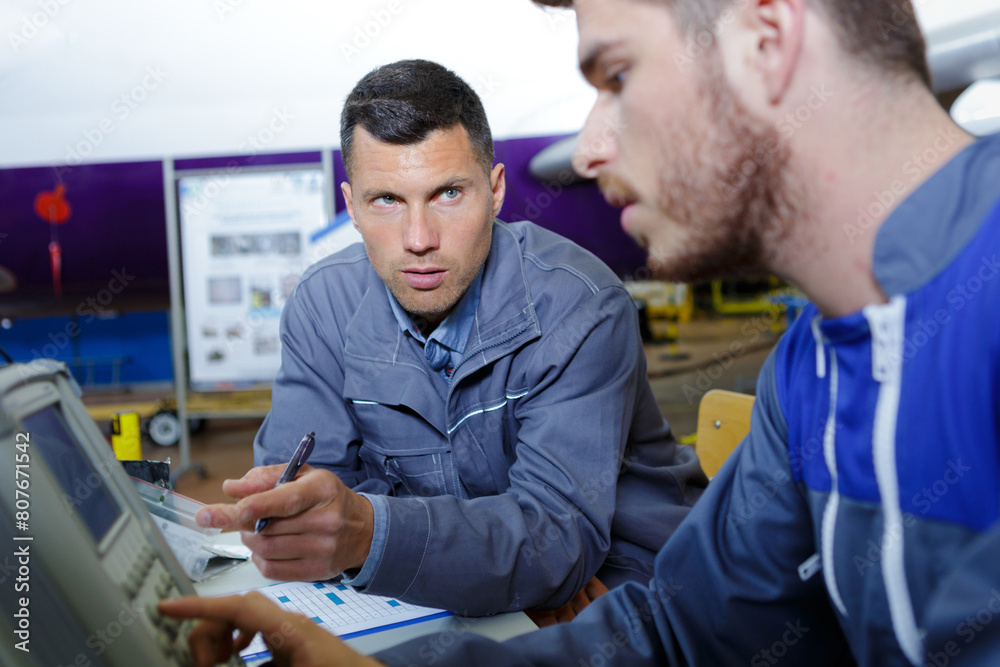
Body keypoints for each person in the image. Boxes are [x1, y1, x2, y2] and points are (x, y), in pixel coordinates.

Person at [161, 0, 1000, 664]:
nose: (590, 149)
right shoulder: (808, 368)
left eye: (618, 75)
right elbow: (679, 631)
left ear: (768, 42)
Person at [191, 58, 706, 620]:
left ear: (496, 190)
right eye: (386, 200)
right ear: (352, 207)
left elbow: (557, 544)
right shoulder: (322, 306)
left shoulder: (579, 306)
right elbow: (308, 516)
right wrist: (495, 558)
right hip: (438, 600)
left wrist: (368, 528)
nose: (418, 240)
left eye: (448, 195)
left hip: (627, 590)